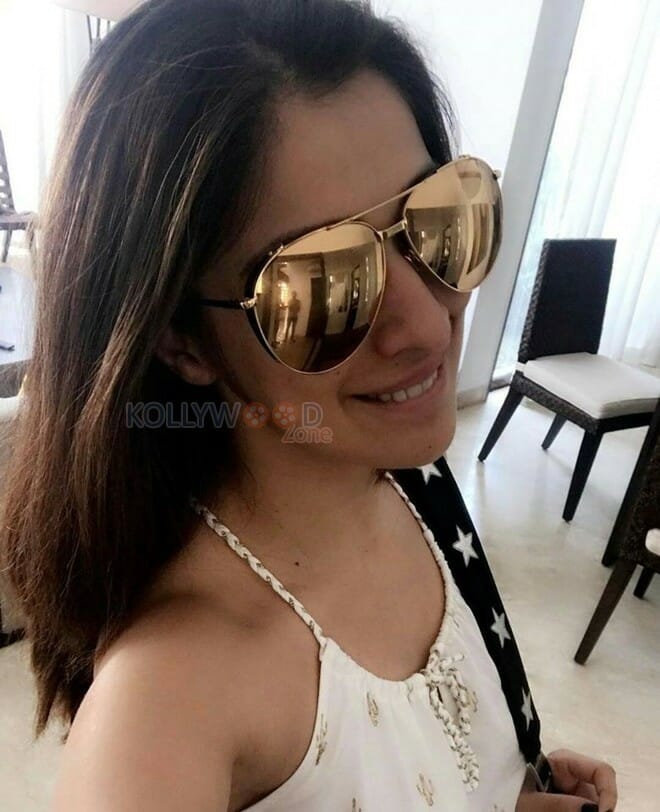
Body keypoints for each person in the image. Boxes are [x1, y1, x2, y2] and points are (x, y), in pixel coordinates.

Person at [0, 1, 617, 810]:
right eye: (323, 286)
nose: (427, 325)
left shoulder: (409, 484)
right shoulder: (165, 707)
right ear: (181, 341)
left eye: (440, 221)